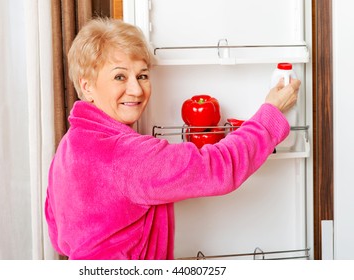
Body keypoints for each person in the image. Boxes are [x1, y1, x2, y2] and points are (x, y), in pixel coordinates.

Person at [45, 17, 301, 260]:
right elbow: (219, 167)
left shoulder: (69, 146)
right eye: (119, 76)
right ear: (87, 85)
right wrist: (270, 115)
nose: (136, 89)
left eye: (142, 75)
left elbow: (58, 238)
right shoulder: (127, 156)